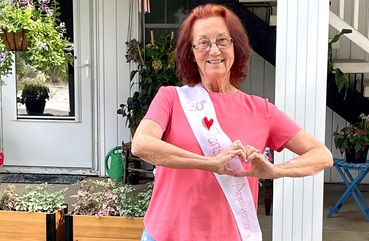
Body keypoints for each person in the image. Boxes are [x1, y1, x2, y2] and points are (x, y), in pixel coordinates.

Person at [131, 3, 333, 241]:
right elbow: (141, 144)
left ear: (236, 48)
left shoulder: (261, 110)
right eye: (203, 42)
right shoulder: (171, 98)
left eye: (222, 41)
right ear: (192, 53)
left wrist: (274, 171)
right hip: (165, 234)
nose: (214, 50)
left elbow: (322, 155)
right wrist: (210, 163)